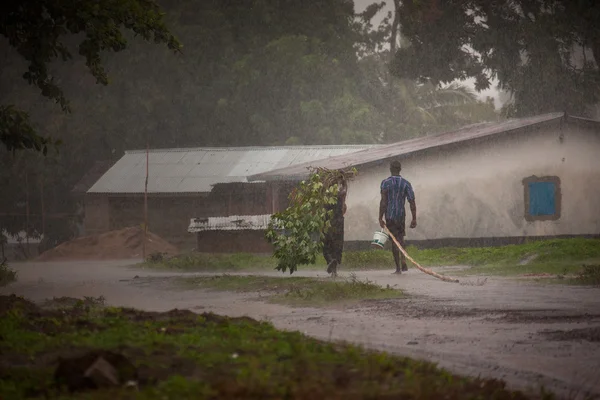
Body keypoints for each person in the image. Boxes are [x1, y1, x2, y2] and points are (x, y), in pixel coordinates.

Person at [379, 160, 417, 274]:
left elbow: (383, 202)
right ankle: (403, 259)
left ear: (390, 169)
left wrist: (380, 217)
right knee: (401, 238)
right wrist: (414, 218)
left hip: (390, 216)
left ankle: (398, 268)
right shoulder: (406, 183)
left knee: (394, 241)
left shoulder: (385, 183)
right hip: (401, 216)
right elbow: (412, 201)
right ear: (400, 169)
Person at [323, 177, 347, 277]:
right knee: (337, 245)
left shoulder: (326, 195)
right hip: (339, 222)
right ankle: (334, 270)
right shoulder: (341, 194)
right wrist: (344, 180)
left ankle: (330, 261)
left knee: (327, 245)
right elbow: (345, 188)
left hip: (328, 222)